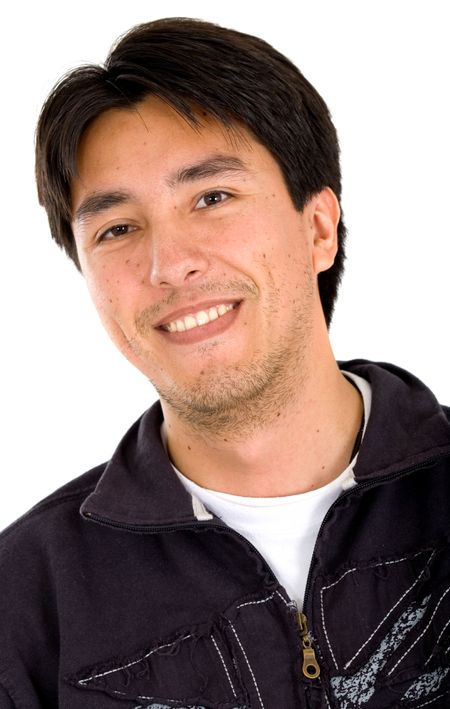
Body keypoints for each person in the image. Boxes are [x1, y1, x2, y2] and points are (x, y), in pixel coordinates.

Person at [1, 16, 449, 709]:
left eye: (212, 198)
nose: (168, 263)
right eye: (117, 229)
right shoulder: (26, 598)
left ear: (318, 228)